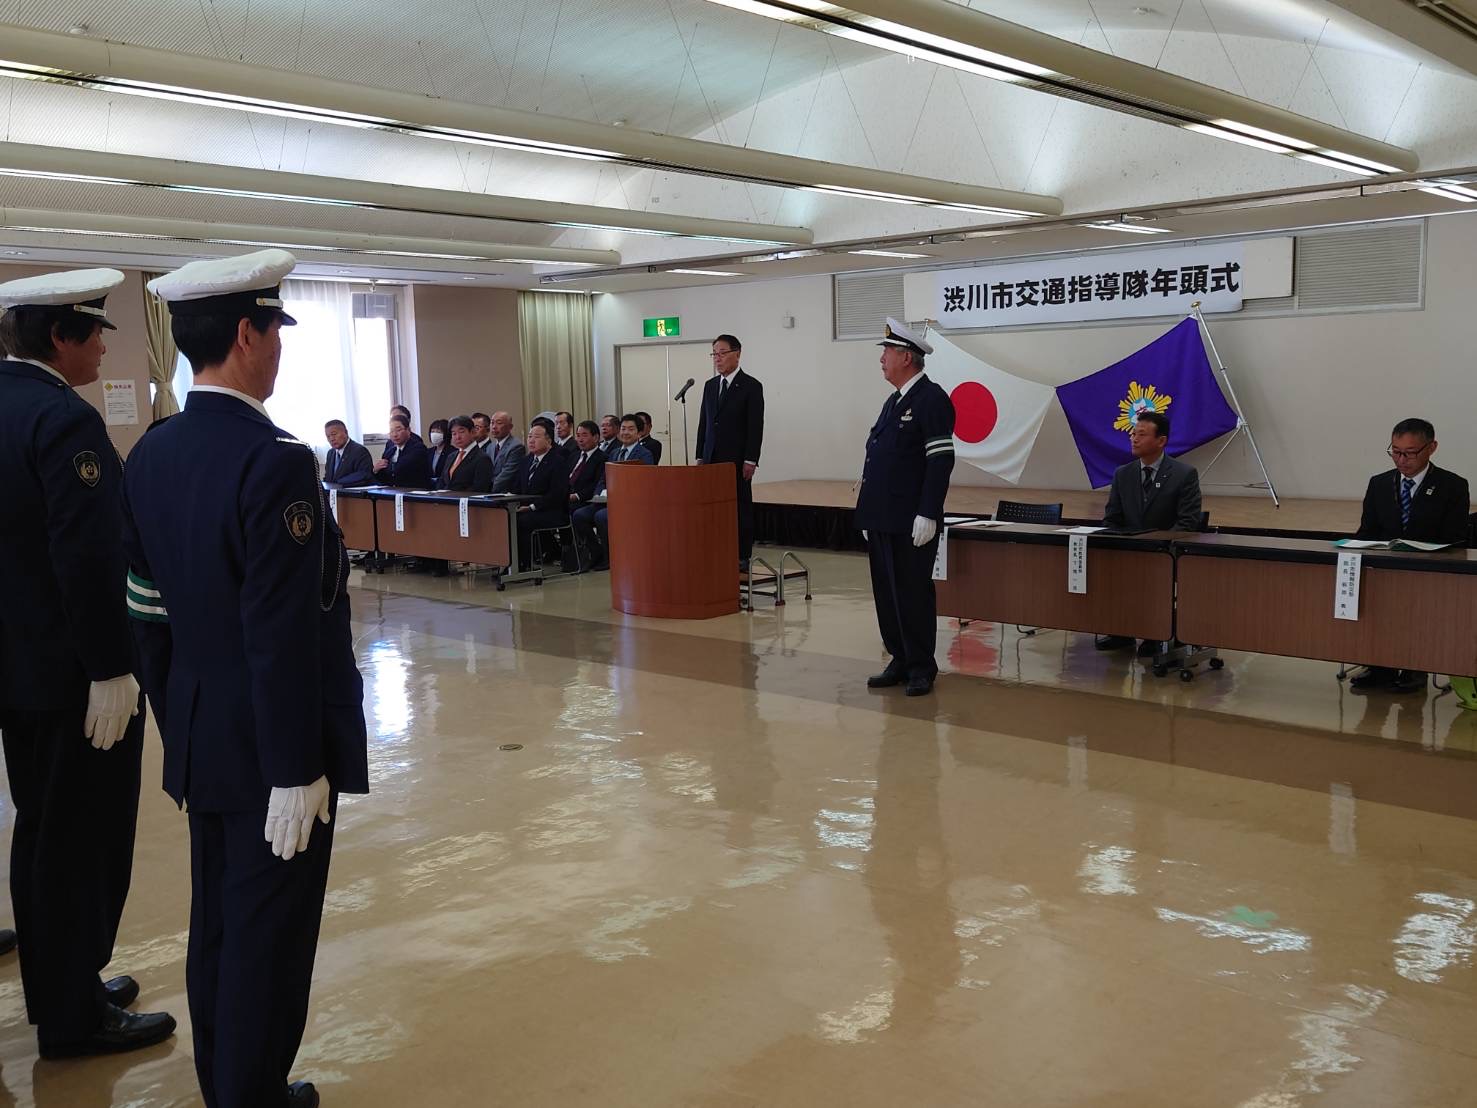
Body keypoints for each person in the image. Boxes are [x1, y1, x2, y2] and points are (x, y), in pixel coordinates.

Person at [124, 248, 369, 1108]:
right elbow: (282, 631)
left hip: (202, 733)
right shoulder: (274, 460)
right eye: (275, 330)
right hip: (274, 748)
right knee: (270, 935)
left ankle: (231, 1084)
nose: (280, 348)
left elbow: (146, 611)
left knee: (220, 929)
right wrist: (296, 765)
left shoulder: (152, 453)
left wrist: (180, 719)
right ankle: (251, 1096)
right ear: (245, 334)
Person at [0, 268, 177, 1060]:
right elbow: (87, 555)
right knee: (80, 841)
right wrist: (112, 667)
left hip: (15, 670)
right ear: (62, 337)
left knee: (40, 832)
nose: (105, 344)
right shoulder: (60, 419)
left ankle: (61, 983)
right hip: (73, 675)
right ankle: (73, 1019)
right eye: (97, 330)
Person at [855, 319, 955, 697]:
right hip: (882, 517)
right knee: (887, 592)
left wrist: (928, 511)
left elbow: (941, 460)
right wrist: (867, 510)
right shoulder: (894, 400)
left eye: (887, 352)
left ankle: (920, 666)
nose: (882, 359)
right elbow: (878, 457)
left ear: (907, 357)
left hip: (911, 518)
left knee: (912, 592)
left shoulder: (931, 399)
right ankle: (899, 657)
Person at [1350, 418, 1471, 693]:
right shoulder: (1379, 483)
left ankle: (1415, 668)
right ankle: (1380, 666)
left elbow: (1455, 538)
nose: (1402, 459)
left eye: (1410, 452)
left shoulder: (1452, 485)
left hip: (1429, 572)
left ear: (1431, 448)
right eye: (1395, 451)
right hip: (1385, 568)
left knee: (1417, 605)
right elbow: (1368, 530)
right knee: (1372, 598)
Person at [1096, 410, 1204, 654]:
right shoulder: (1122, 473)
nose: (1134, 438)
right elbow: (1112, 518)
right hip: (1129, 550)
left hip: (1164, 551)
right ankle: (1120, 631)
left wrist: (1157, 547)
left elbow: (1187, 523)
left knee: (1151, 572)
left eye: (1141, 434)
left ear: (1161, 441)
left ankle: (1155, 635)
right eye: (1133, 433)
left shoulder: (1184, 474)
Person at [695, 333, 765, 565]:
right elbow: (704, 423)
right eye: (714, 353)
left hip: (737, 459)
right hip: (711, 458)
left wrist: (751, 460)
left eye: (722, 353)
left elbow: (755, 426)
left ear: (737, 353)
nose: (718, 358)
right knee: (713, 508)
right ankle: (717, 549)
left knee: (739, 508)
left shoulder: (751, 386)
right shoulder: (710, 386)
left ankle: (742, 555)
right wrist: (699, 455)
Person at [573, 415, 654, 569]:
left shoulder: (645, 454)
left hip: (629, 503)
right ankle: (596, 552)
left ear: (639, 433)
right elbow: (604, 478)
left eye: (631, 429)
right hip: (607, 501)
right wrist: (599, 493)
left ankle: (610, 557)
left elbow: (645, 483)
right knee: (579, 515)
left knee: (601, 516)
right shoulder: (614, 453)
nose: (626, 432)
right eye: (623, 429)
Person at [513, 423, 571, 569]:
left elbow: (557, 495)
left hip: (552, 511)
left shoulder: (558, 462)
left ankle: (524, 566)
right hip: (528, 509)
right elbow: (517, 487)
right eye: (529, 436)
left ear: (549, 440)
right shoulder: (526, 461)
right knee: (506, 519)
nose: (531, 440)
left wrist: (532, 507)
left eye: (537, 437)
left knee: (521, 521)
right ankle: (508, 564)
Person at [374, 414, 432, 488]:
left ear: (408, 430)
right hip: (393, 493)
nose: (395, 434)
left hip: (414, 492)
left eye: (398, 430)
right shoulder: (389, 452)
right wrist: (375, 470)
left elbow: (402, 467)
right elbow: (384, 477)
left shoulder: (418, 448)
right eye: (391, 431)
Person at [443, 415, 494, 494]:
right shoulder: (451, 456)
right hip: (448, 502)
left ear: (473, 432)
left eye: (461, 432)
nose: (458, 437)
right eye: (454, 433)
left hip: (468, 503)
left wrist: (455, 496)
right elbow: (443, 481)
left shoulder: (482, 458)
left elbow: (479, 488)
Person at [323, 420, 373, 486]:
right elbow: (328, 478)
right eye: (328, 436)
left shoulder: (359, 451)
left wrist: (338, 483)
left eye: (334, 434)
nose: (331, 439)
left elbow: (363, 476)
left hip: (351, 494)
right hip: (333, 494)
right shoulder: (330, 453)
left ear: (346, 432)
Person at [485, 410, 526, 493]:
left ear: (510, 427)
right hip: (488, 492)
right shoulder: (490, 446)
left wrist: (487, 490)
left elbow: (507, 475)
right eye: (492, 423)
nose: (494, 426)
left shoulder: (516, 446)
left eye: (499, 423)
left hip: (505, 493)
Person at [567, 420, 607, 505]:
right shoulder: (573, 456)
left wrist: (577, 496)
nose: (580, 440)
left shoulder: (603, 458)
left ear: (596, 438)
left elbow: (596, 484)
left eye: (584, 435)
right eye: (578, 436)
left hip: (583, 500)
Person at [425, 418, 451, 487]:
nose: (434, 434)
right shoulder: (428, 452)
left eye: (438, 432)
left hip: (444, 488)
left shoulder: (452, 452)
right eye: (432, 431)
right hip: (429, 488)